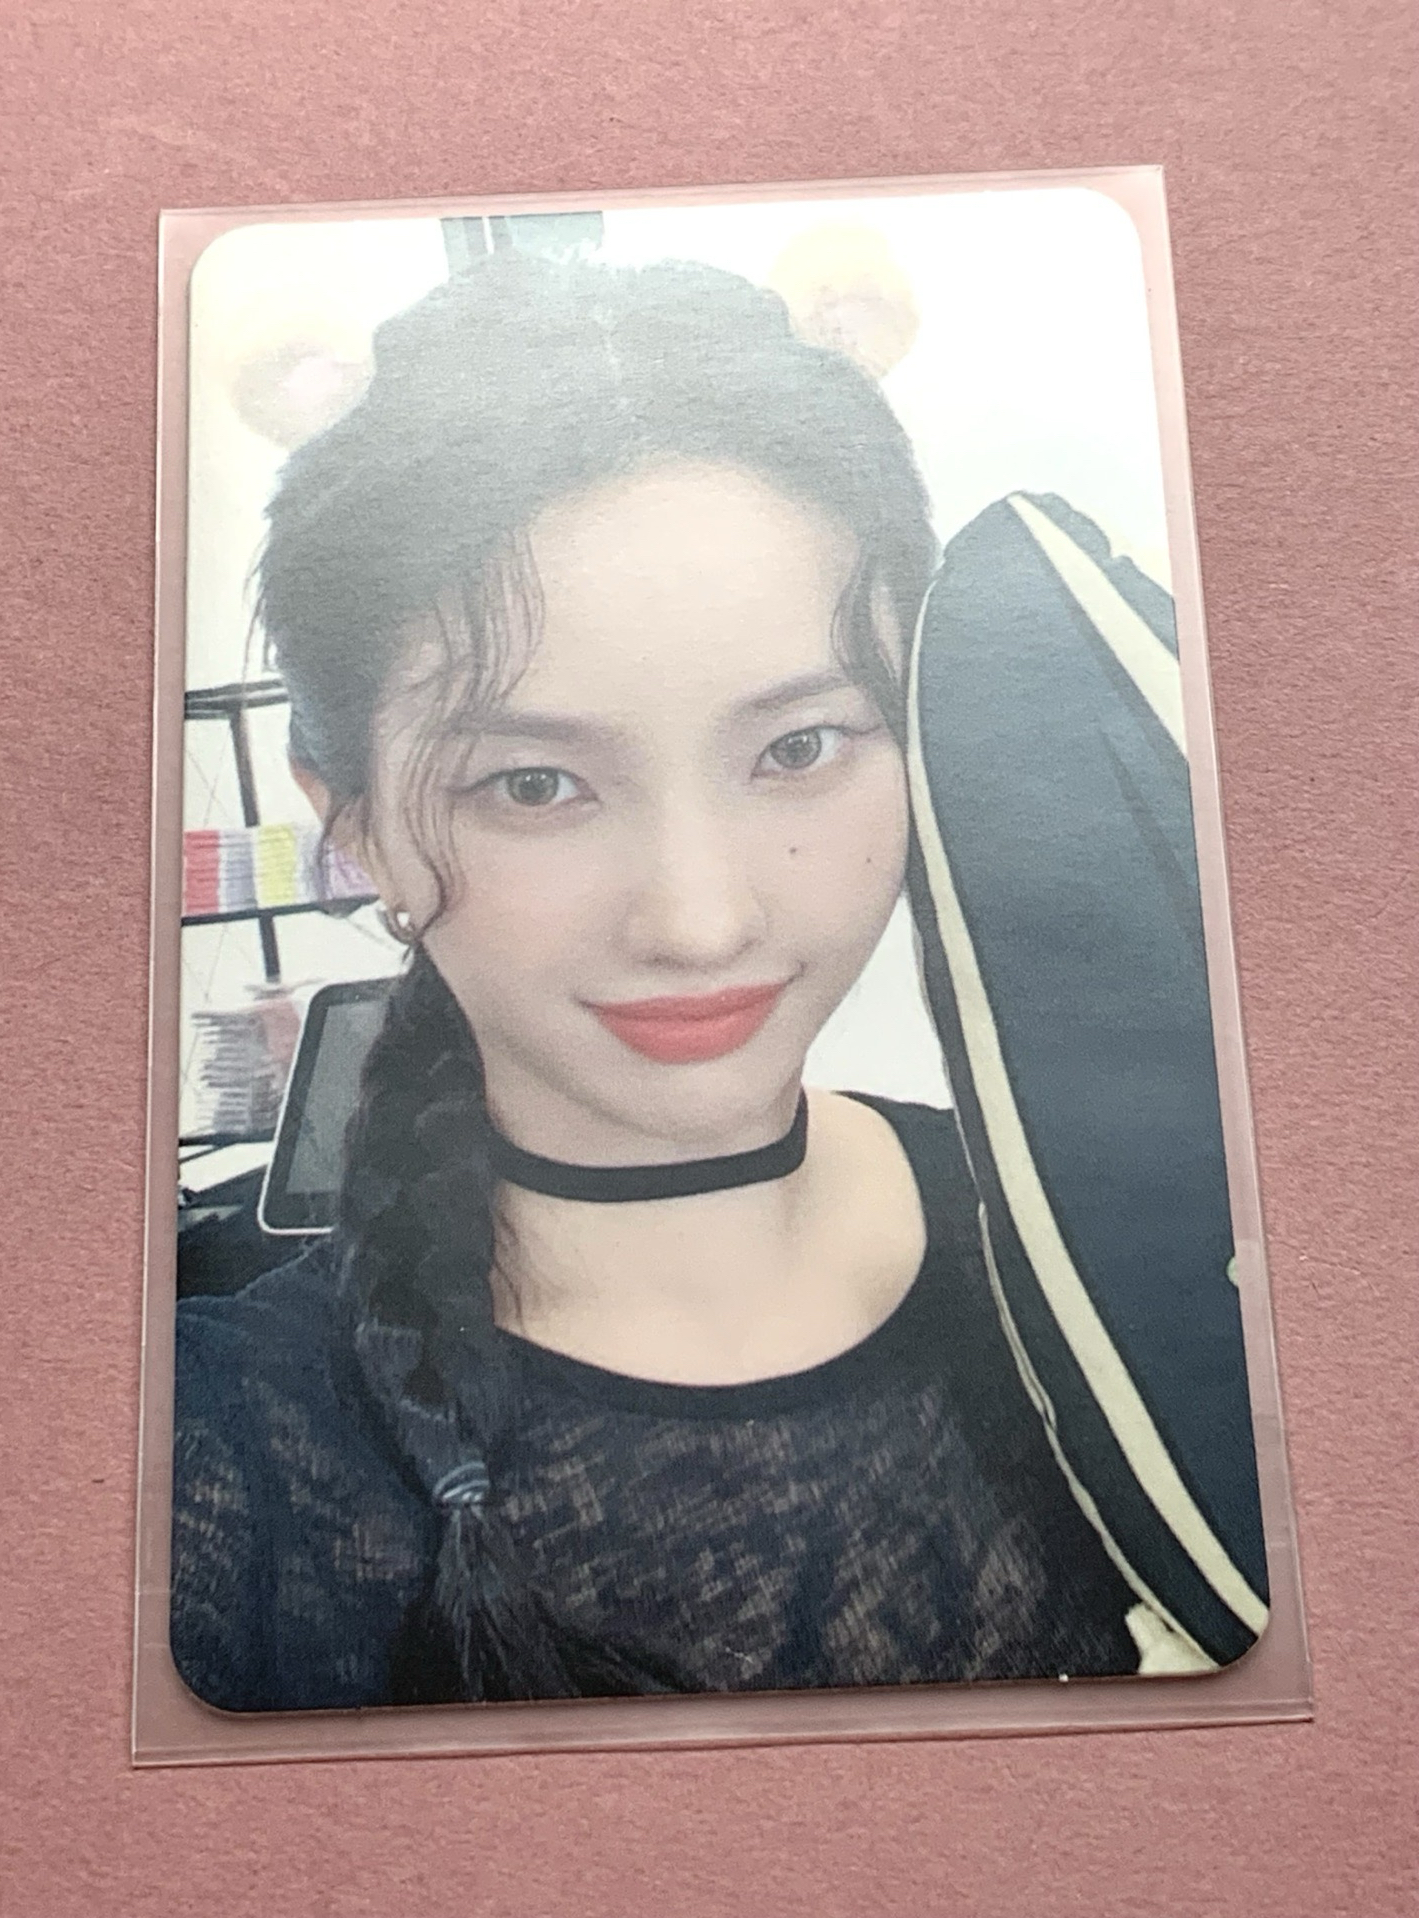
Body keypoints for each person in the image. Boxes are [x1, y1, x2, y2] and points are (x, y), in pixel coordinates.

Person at [171, 250, 1142, 1712]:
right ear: (349, 818)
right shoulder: (196, 1464)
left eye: (799, 747)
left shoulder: (1103, 1275)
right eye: (535, 782)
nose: (699, 922)